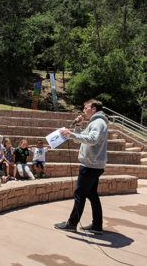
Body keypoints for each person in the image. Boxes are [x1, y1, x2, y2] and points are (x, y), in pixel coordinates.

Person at [54, 99, 108, 235]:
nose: (83, 111)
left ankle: (72, 224)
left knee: (80, 194)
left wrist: (71, 134)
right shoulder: (96, 122)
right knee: (92, 194)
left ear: (93, 109)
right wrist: (78, 126)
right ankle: (97, 225)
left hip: (91, 165)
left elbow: (92, 140)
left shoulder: (98, 123)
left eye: (86, 108)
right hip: (94, 164)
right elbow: (83, 137)